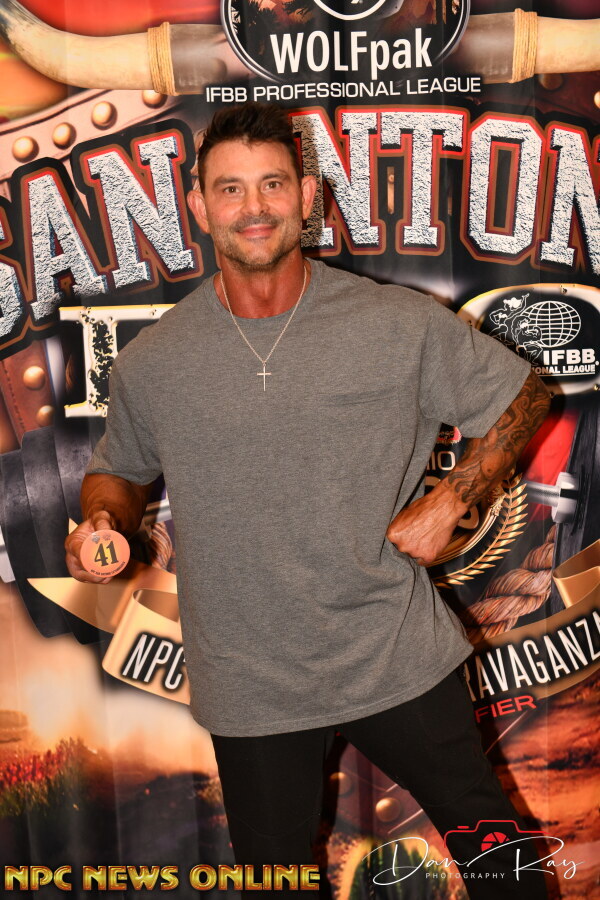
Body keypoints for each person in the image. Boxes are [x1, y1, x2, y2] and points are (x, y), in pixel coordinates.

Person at [66, 102, 551, 898]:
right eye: (230, 189)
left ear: (306, 197)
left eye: (272, 184)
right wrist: (103, 518)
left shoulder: (395, 323)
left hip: (392, 651)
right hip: (250, 679)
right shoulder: (154, 362)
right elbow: (117, 469)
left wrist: (454, 497)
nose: (253, 207)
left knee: (503, 864)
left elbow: (524, 396)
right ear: (199, 208)